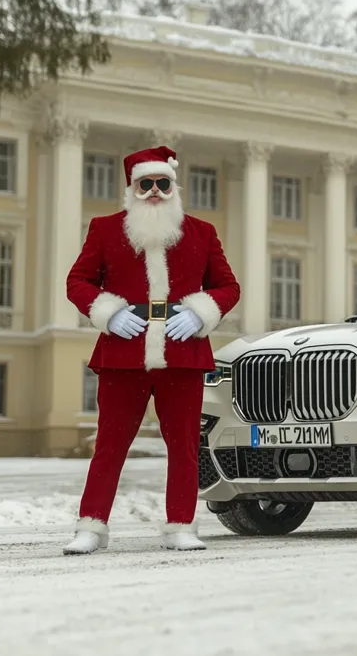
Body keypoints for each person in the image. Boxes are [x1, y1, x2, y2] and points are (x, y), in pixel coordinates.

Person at [62, 145, 241, 555]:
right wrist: (109, 313)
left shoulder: (202, 232)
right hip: (124, 350)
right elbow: (78, 281)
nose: (155, 192)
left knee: (183, 445)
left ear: (174, 186)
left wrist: (200, 314)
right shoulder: (105, 229)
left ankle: (181, 525)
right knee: (109, 444)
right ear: (132, 188)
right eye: (146, 184)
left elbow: (228, 287)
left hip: (183, 350)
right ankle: (91, 526)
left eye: (163, 183)